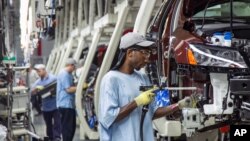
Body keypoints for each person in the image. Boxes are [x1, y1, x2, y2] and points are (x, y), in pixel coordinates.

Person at [98, 32, 193, 141]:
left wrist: (178, 105)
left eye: (148, 53)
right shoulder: (111, 79)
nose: (147, 59)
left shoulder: (143, 78)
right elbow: (108, 117)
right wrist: (137, 102)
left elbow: (152, 112)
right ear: (130, 53)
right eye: (144, 53)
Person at [31, 64, 61, 141]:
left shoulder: (53, 78)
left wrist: (52, 91)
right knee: (48, 124)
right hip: (45, 107)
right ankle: (50, 138)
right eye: (37, 72)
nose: (38, 73)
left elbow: (59, 88)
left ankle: (57, 137)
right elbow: (32, 92)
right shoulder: (38, 82)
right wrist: (35, 91)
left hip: (55, 105)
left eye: (39, 71)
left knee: (57, 123)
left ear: (44, 70)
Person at [57, 58, 77, 141]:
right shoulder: (64, 74)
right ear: (70, 65)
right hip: (65, 105)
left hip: (69, 104)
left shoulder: (69, 74)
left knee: (71, 127)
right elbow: (68, 89)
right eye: (74, 67)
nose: (74, 69)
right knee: (67, 128)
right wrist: (80, 87)